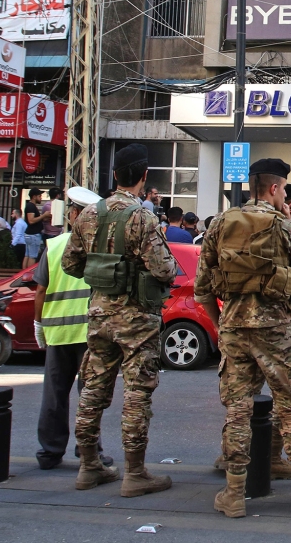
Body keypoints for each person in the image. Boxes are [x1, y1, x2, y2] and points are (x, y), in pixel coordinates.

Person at [195, 158, 291, 518]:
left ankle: (234, 494)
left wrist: (221, 320)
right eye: (284, 188)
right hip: (278, 330)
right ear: (273, 188)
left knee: (238, 412)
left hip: (235, 327)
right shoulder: (290, 229)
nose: (286, 195)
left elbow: (203, 288)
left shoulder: (221, 223)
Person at [62, 143, 177, 497]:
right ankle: (136, 472)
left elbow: (70, 264)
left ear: (114, 176)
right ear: (144, 177)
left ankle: (88, 466)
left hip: (99, 316)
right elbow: (164, 269)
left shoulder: (88, 215)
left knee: (92, 390)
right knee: (137, 393)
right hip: (137, 320)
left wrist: (103, 274)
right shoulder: (143, 217)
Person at [33, 186, 113, 471]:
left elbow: (40, 290)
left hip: (58, 333)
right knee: (90, 395)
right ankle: (89, 451)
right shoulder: (100, 245)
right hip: (90, 333)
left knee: (55, 395)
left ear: (74, 214)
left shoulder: (54, 246)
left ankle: (50, 451)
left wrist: (38, 324)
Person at [24, 189, 51, 268]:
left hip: (30, 234)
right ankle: (29, 274)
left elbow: (35, 219)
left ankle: (23, 274)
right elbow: (31, 220)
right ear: (34, 197)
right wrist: (44, 215)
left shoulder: (31, 206)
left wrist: (44, 218)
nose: (41, 198)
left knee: (27, 255)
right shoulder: (31, 206)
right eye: (39, 196)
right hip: (33, 234)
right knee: (32, 256)